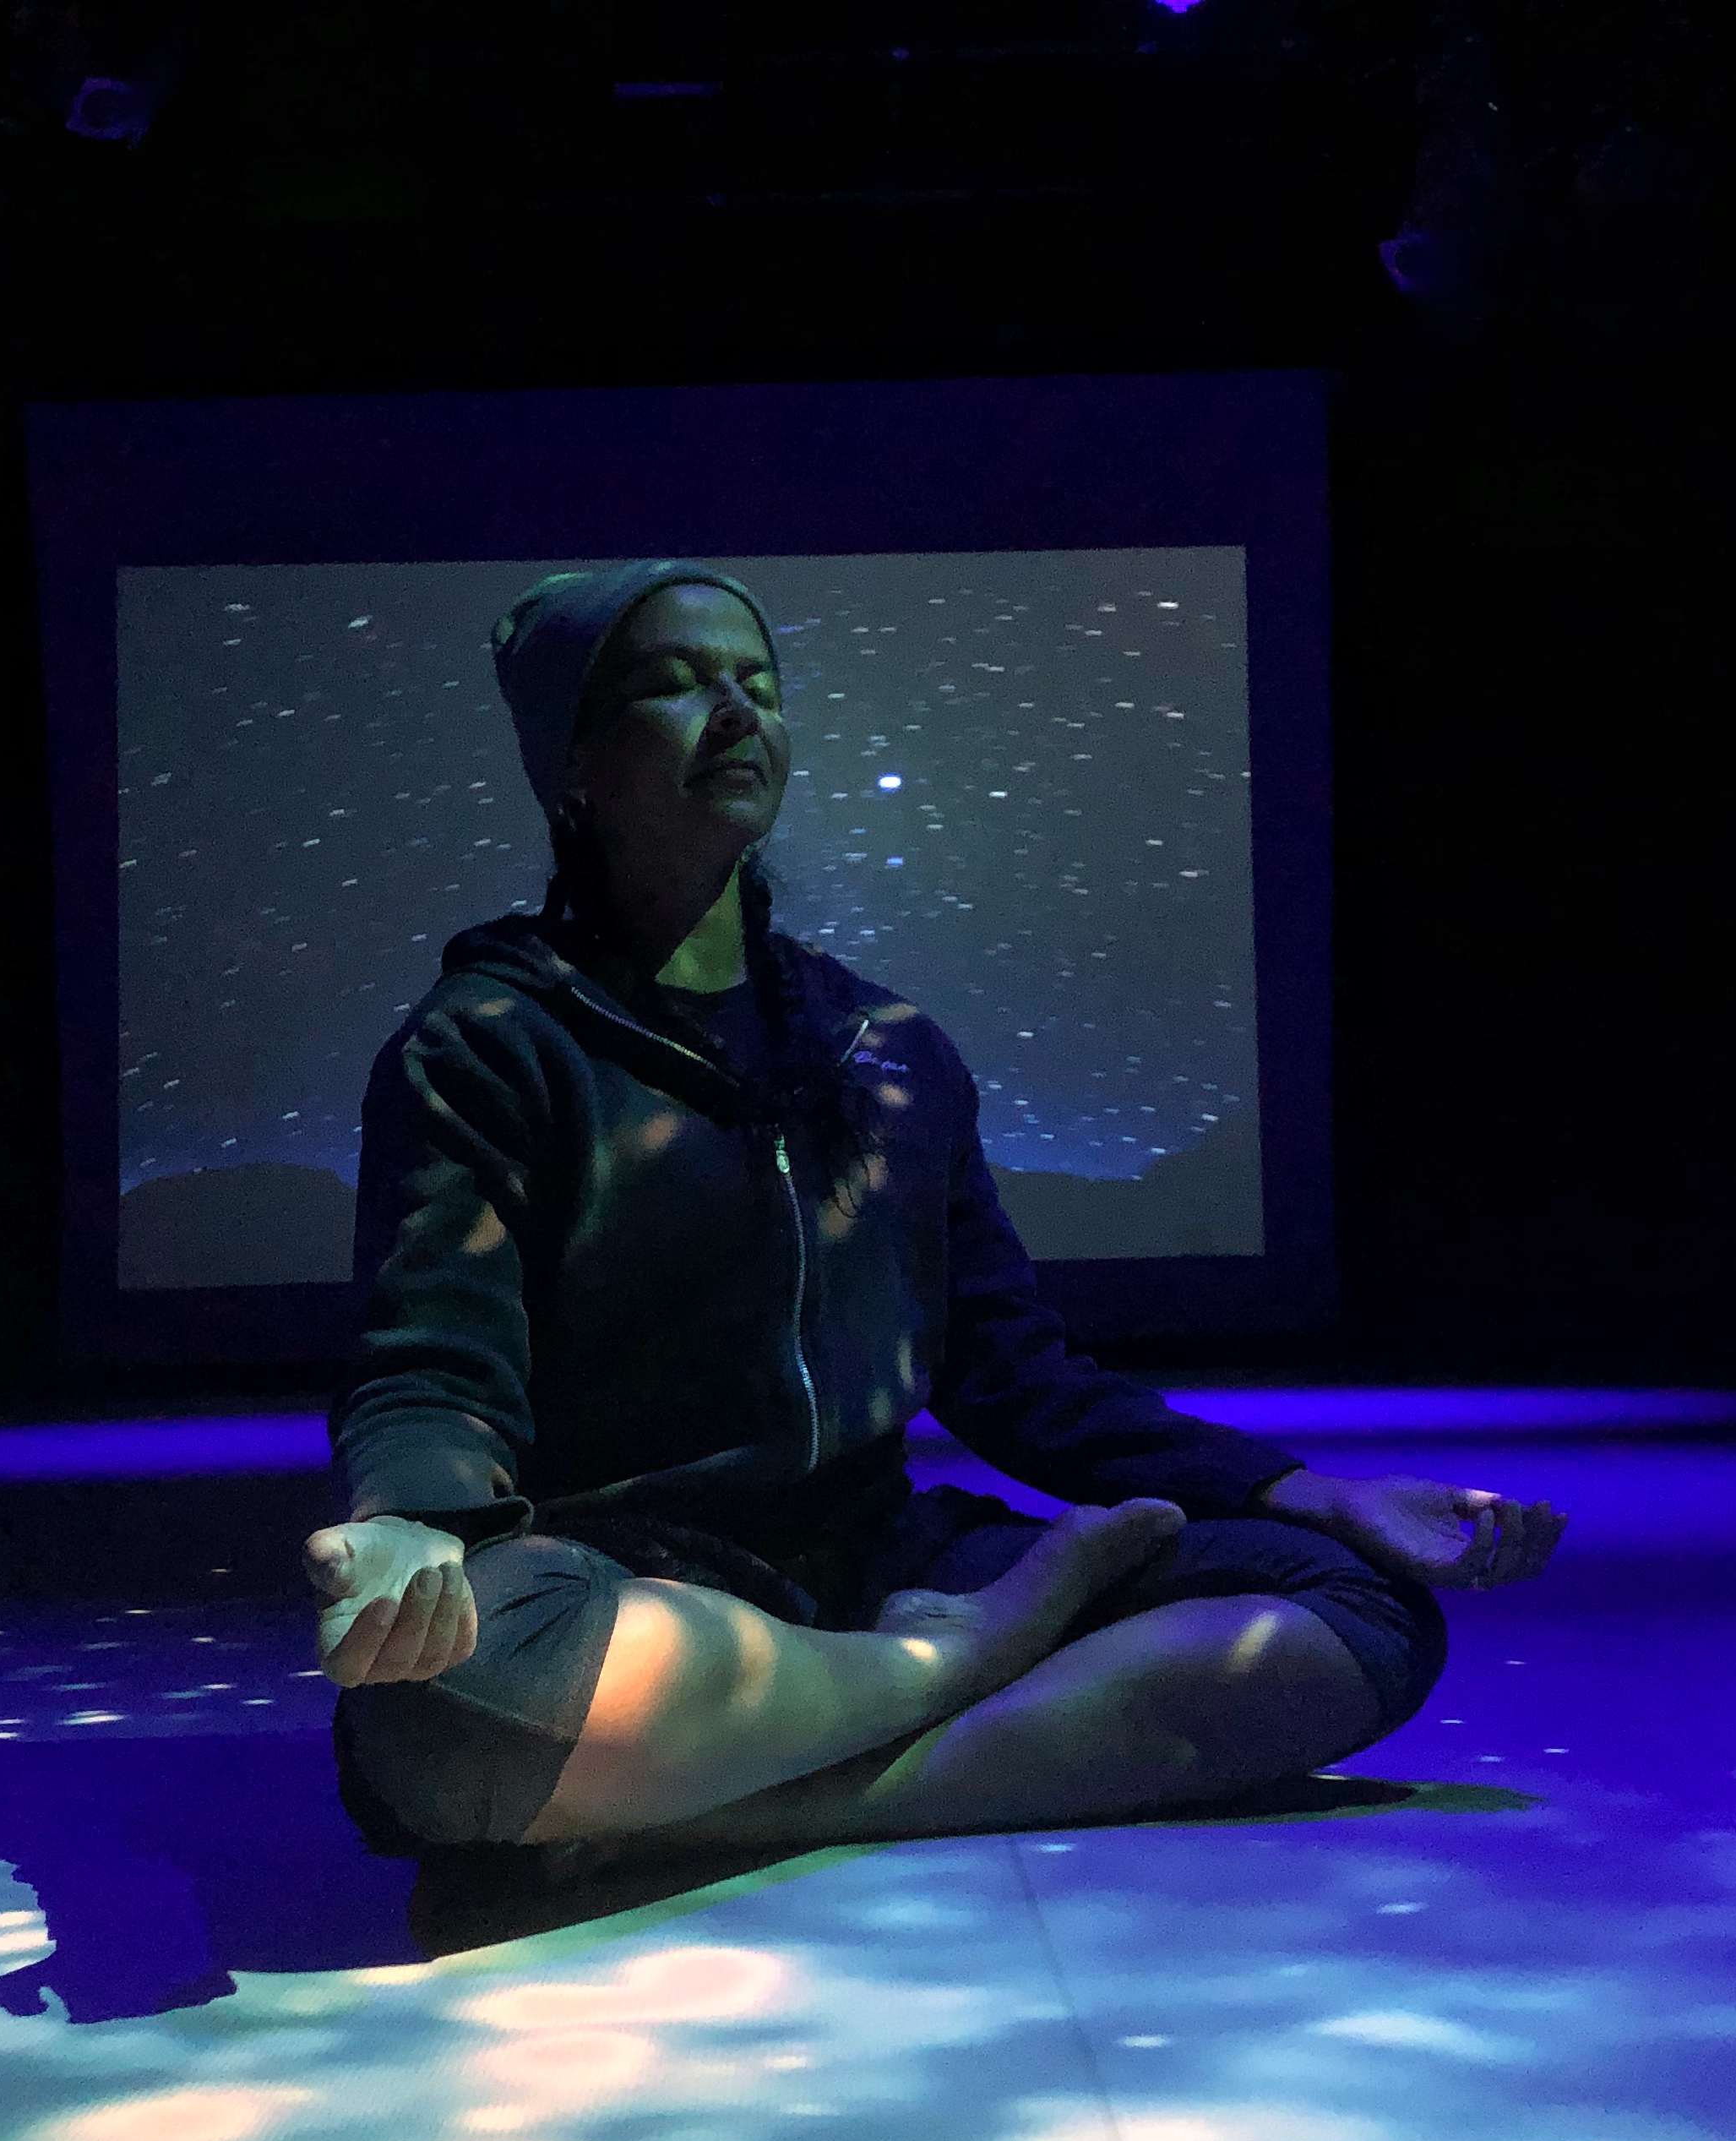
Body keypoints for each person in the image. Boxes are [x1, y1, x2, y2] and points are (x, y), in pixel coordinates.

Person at [306, 558, 1563, 1857]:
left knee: (1352, 1613)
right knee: (448, 1709)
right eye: (673, 687)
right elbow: (429, 1359)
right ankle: (949, 1673)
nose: (737, 714)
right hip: (639, 1585)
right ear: (573, 766)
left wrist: (1312, 1492)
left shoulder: (889, 1051)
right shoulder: (488, 1043)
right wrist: (421, 1520)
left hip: (875, 1556)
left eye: (757, 684)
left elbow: (1020, 1377)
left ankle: (771, 1787)